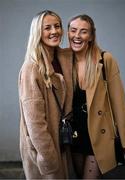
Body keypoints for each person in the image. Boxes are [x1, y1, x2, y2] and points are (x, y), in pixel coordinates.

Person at [67, 14, 125, 179]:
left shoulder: (105, 59)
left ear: (91, 36)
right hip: (73, 134)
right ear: (67, 32)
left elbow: (119, 101)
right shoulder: (63, 60)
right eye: (73, 30)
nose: (77, 36)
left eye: (83, 32)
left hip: (98, 134)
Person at [18, 10, 73, 179]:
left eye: (57, 26)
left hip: (62, 142)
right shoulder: (31, 68)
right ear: (37, 32)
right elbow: (34, 122)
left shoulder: (64, 58)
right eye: (47, 28)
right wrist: (48, 156)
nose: (54, 31)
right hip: (44, 149)